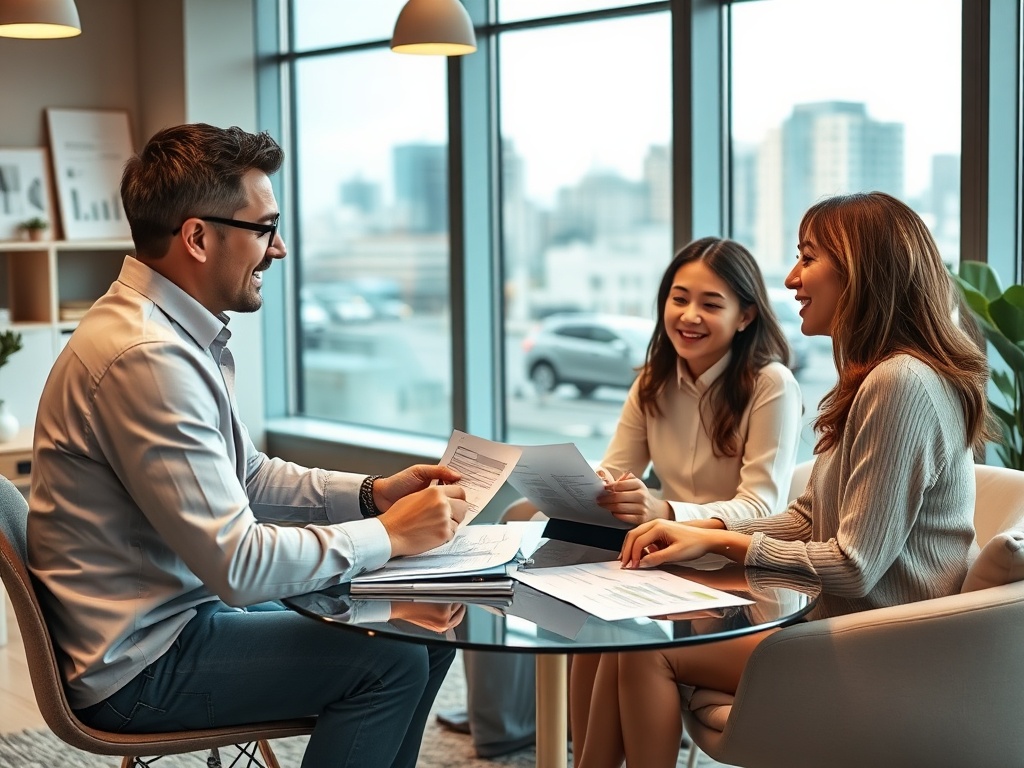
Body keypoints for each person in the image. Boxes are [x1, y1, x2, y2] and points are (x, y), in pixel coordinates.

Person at [27, 123, 468, 768]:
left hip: (175, 618)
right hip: (141, 662)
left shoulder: (169, 335)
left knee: (418, 636)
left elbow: (249, 477)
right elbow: (239, 567)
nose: (278, 248)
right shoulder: (146, 358)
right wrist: (390, 535)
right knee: (391, 662)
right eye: (265, 229)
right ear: (198, 238)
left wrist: (373, 495)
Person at [573, 191, 992, 768]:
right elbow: (808, 514)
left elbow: (854, 565)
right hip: (855, 632)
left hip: (884, 649)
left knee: (647, 653)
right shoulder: (879, 376)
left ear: (860, 271)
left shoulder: (900, 383)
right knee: (627, 642)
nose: (792, 278)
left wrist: (724, 542)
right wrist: (705, 531)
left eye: (808, 257)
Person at [453, 237, 803, 758]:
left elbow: (760, 509)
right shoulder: (653, 380)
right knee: (547, 562)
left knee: (613, 639)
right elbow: (618, 469)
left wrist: (665, 511)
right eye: (679, 298)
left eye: (710, 304)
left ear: (746, 316)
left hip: (734, 572)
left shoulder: (770, 384)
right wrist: (596, 483)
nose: (689, 315)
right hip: (661, 558)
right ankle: (534, 733)